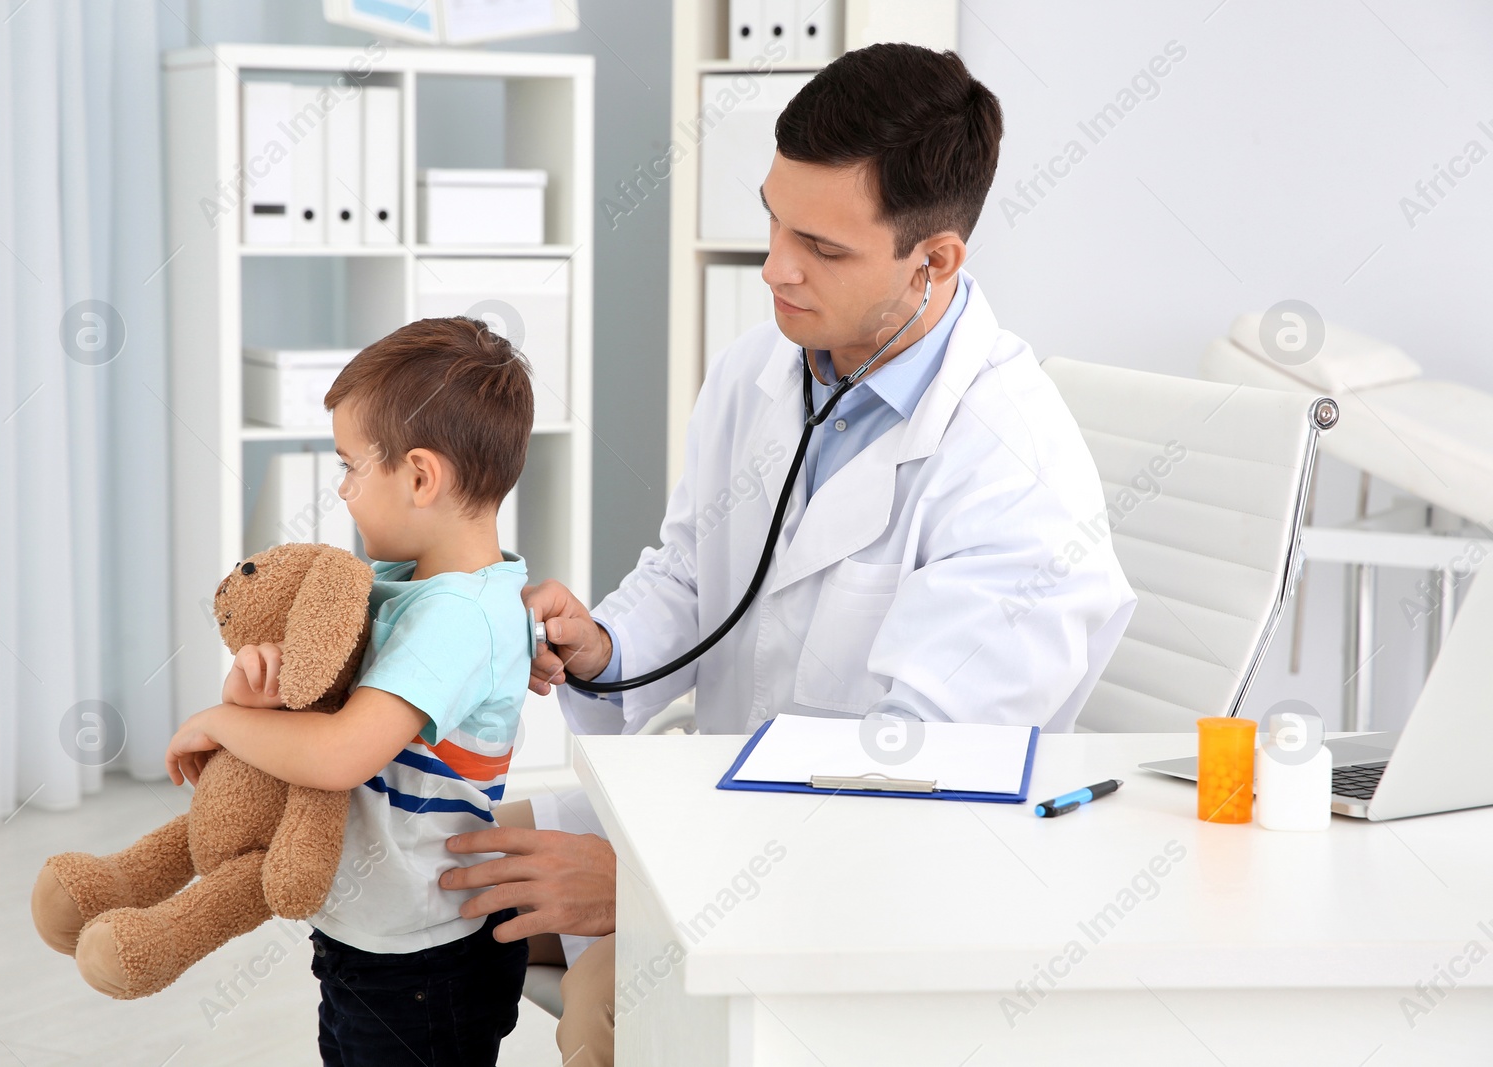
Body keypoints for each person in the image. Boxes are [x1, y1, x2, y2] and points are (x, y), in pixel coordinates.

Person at [438, 42, 1138, 1067]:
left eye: (821, 244)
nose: (774, 264)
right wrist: (606, 645)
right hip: (730, 808)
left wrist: (639, 882)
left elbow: (917, 789)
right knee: (433, 863)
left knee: (606, 996)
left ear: (932, 260)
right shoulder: (767, 360)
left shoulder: (1014, 474)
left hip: (886, 884)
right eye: (772, 217)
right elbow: (689, 567)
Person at [165, 317, 536, 1067]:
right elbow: (320, 707)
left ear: (422, 476)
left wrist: (217, 723)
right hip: (370, 941)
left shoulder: (459, 619)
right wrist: (254, 691)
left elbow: (338, 753)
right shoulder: (405, 589)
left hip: (422, 965)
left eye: (351, 467)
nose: (342, 490)